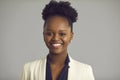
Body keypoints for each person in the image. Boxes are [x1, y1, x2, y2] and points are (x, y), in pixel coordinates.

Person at [20, 0, 95, 80]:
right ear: (43, 34)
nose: (55, 38)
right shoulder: (29, 69)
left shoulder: (85, 71)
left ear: (71, 36)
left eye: (62, 34)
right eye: (49, 33)